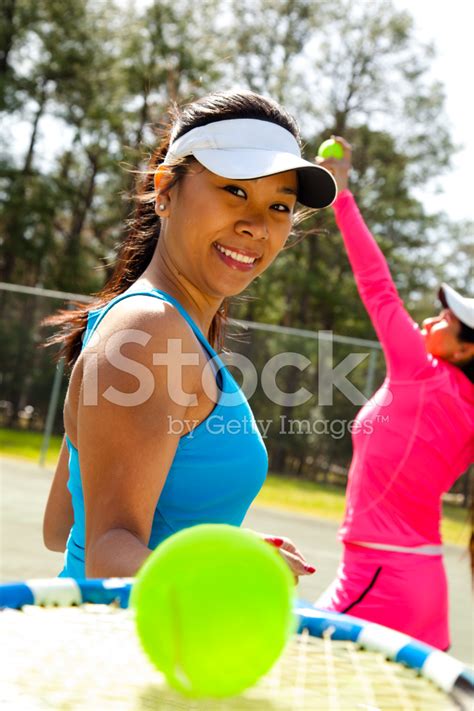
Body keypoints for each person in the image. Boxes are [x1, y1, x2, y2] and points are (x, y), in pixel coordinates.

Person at [42, 91, 337, 581]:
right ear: (165, 190)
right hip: (119, 647)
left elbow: (62, 526)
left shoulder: (150, 326)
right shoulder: (149, 331)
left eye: (280, 206)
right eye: (234, 191)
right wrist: (231, 572)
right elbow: (108, 558)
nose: (256, 226)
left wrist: (214, 543)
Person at [314, 136, 474, 650]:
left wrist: (341, 196)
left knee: (285, 654)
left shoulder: (421, 373)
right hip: (419, 578)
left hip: (380, 575)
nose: (432, 319)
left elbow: (377, 284)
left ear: (467, 351)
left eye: (447, 319)